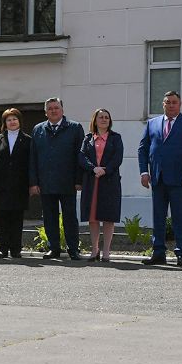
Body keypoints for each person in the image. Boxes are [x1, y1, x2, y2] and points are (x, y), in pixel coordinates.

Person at [138, 90, 182, 267]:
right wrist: (144, 172)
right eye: (168, 102)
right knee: (158, 217)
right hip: (157, 178)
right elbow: (143, 149)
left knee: (180, 217)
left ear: (180, 104)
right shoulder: (152, 123)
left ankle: (181, 252)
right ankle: (158, 252)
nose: (171, 105)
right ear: (163, 104)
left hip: (180, 179)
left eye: (174, 102)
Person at [29, 97, 85, 260]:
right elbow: (33, 158)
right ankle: (54, 248)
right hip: (46, 182)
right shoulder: (38, 129)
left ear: (62, 110)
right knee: (49, 217)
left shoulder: (74, 128)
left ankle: (73, 249)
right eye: (50, 108)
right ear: (45, 112)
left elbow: (80, 156)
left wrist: (79, 180)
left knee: (69, 217)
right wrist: (34, 182)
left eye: (56, 107)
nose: (53, 110)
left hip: (68, 182)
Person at [79, 108, 123, 262]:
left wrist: (105, 170)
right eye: (101, 117)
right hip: (92, 181)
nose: (104, 120)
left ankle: (106, 251)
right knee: (93, 218)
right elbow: (82, 156)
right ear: (95, 120)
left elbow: (118, 158)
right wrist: (93, 168)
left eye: (107, 117)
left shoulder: (116, 138)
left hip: (109, 181)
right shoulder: (87, 138)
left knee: (108, 217)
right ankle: (94, 249)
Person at [0, 107, 31, 259]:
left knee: (17, 218)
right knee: (2, 218)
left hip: (20, 186)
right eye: (9, 120)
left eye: (14, 119)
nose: (12, 122)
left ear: (19, 121)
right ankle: (3, 248)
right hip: (1, 185)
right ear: (4, 123)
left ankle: (16, 249)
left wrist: (32, 184)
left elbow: (31, 164)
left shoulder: (28, 140)